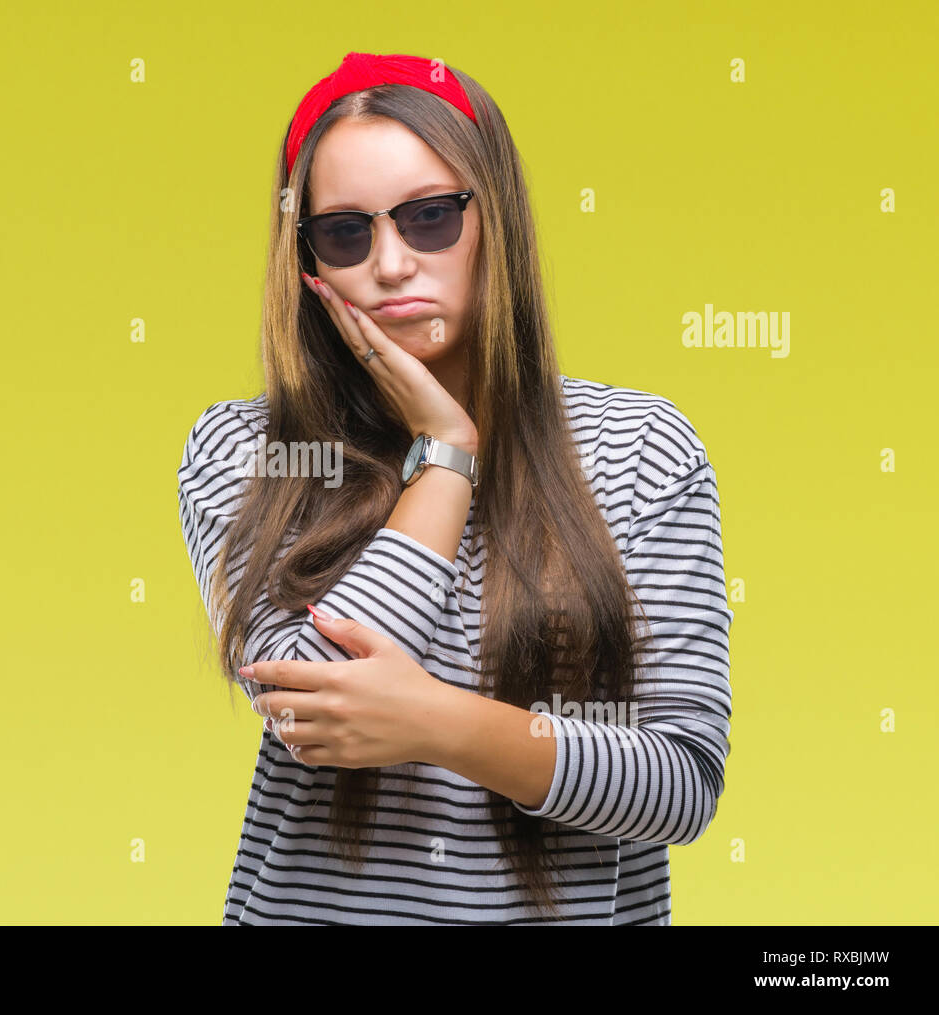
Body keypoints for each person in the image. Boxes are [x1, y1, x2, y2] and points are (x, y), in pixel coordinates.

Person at [177, 51, 734, 925]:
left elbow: (679, 783)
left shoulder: (638, 450)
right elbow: (319, 707)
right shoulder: (248, 453)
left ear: (495, 217)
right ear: (307, 262)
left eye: (430, 217)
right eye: (347, 232)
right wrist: (445, 454)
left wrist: (438, 721)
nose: (391, 264)